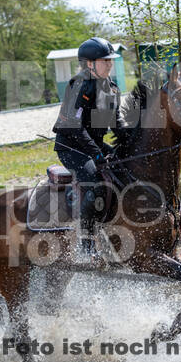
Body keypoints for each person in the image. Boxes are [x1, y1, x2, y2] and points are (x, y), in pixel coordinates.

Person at [52, 37, 127, 262]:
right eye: (105, 60)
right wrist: (97, 154)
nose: (110, 64)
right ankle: (87, 244)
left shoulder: (111, 89)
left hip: (93, 144)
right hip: (71, 147)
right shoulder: (78, 85)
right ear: (90, 64)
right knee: (95, 184)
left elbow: (116, 126)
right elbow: (75, 129)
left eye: (110, 60)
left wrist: (134, 139)